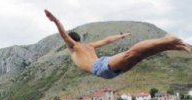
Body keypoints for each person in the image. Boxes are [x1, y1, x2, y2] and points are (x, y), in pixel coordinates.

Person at [44, 9, 191, 79]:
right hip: (106, 69)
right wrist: (121, 36)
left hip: (100, 67)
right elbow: (107, 40)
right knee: (139, 56)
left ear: (71, 41)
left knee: (132, 53)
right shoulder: (88, 46)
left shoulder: (74, 47)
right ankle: (170, 44)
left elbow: (63, 35)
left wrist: (56, 21)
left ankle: (167, 40)